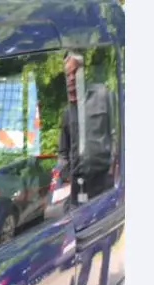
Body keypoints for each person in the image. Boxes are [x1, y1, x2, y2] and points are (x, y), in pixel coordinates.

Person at [58, 52, 115, 205]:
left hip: (104, 178)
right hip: (80, 185)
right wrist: (67, 177)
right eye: (67, 74)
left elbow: (116, 133)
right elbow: (63, 152)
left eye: (74, 72)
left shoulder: (103, 95)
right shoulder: (66, 113)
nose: (71, 78)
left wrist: (114, 167)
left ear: (84, 71)